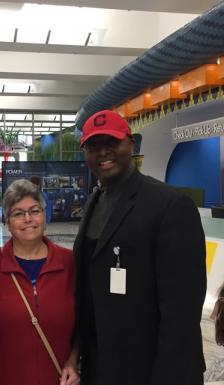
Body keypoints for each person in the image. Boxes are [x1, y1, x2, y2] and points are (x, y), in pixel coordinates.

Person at [74, 110, 207, 385]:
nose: (102, 153)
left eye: (111, 143)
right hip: (102, 362)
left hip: (151, 366)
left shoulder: (169, 205)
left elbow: (182, 309)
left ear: (131, 143)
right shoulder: (95, 202)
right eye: (93, 146)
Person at [0, 179, 79, 385]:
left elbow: (84, 324)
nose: (28, 219)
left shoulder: (69, 263)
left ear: (44, 216)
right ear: (7, 222)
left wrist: (73, 362)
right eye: (18, 214)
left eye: (34, 211)